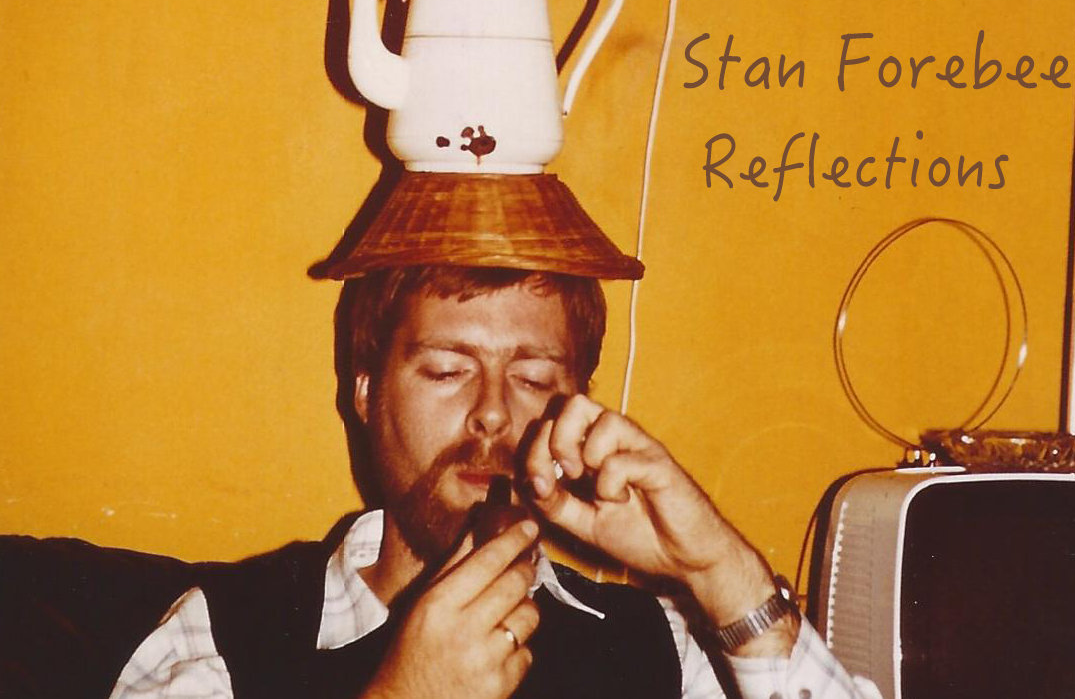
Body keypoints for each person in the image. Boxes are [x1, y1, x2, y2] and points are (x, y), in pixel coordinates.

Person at [110, 259, 880, 699]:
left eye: (532, 377)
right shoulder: (225, 631)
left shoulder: (659, 647)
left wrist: (721, 573)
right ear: (365, 391)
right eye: (447, 370)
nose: (490, 413)